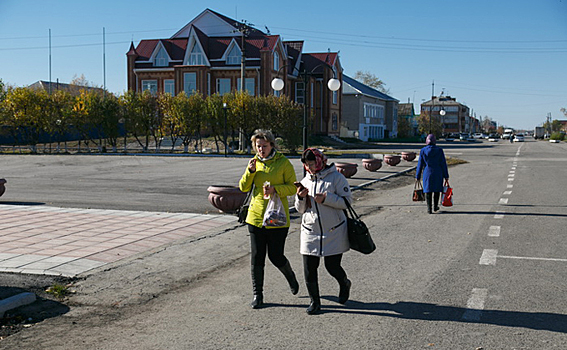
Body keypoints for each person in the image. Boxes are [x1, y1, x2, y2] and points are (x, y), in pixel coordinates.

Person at [238, 129, 299, 309]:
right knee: (257, 258)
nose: (261, 150)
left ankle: (290, 276)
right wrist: (250, 172)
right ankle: (258, 295)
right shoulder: (254, 163)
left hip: (277, 218)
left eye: (264, 146)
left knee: (276, 256)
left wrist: (275, 189)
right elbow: (243, 187)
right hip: (256, 217)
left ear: (272, 145)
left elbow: (293, 188)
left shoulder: (283, 163)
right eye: (258, 146)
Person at [295, 148, 352, 315]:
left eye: (312, 164)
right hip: (310, 230)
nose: (310, 168)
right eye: (307, 165)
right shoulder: (305, 181)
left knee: (332, 266)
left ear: (320, 161)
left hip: (333, 230)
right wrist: (300, 198)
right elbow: (300, 210)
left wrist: (327, 199)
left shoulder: (336, 178)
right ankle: (315, 302)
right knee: (309, 268)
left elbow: (347, 202)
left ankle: (344, 283)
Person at [416, 134, 450, 214]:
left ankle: (429, 208)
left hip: (427, 172)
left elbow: (420, 164)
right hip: (438, 172)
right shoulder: (439, 150)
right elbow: (443, 164)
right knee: (437, 190)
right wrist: (446, 175)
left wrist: (417, 175)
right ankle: (435, 206)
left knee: (428, 190)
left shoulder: (423, 150)